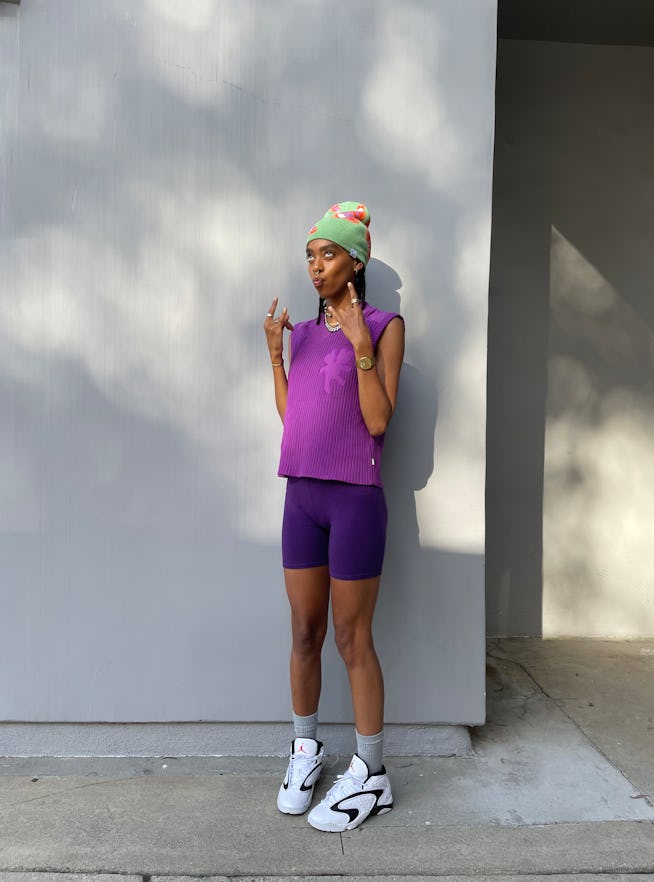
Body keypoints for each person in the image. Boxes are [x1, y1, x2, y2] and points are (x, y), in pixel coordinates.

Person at [263, 201, 405, 833]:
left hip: (354, 500)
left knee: (352, 639)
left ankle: (372, 774)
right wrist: (275, 357)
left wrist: (361, 348)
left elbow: (378, 423)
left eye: (327, 254)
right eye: (311, 256)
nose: (315, 266)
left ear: (356, 260)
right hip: (303, 498)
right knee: (303, 633)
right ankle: (305, 752)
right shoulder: (307, 332)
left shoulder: (382, 323)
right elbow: (295, 421)